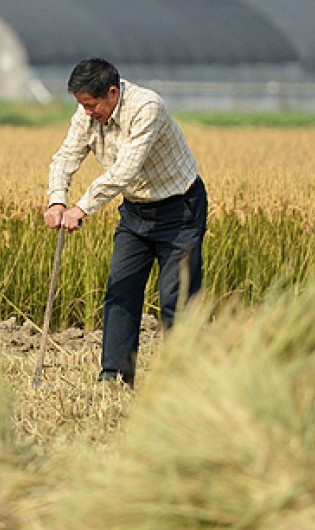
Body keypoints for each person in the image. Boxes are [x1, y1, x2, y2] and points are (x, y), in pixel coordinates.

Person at [44, 58, 207, 386]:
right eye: (81, 106)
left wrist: (82, 208)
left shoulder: (147, 107)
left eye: (91, 105)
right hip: (135, 211)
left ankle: (183, 381)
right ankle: (115, 376)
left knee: (176, 298)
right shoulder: (87, 113)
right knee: (120, 290)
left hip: (179, 210)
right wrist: (57, 199)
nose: (87, 113)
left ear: (112, 93)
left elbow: (125, 170)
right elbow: (66, 156)